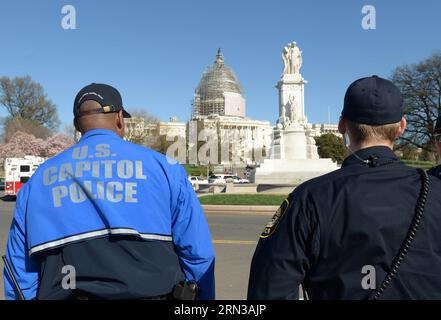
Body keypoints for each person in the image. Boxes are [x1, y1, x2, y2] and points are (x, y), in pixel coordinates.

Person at [3, 83, 215, 300]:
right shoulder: (166, 168)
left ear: (77, 125)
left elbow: (19, 270)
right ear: (120, 119)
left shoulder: (37, 181)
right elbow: (198, 254)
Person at [248, 75, 441, 300]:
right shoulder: (434, 190)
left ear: (341, 125)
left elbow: (269, 288)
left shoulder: (308, 199)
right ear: (402, 127)